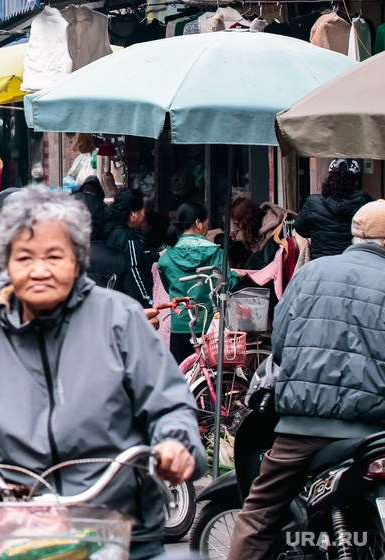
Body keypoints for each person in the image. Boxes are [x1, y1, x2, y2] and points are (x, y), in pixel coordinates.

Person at [0, 186, 205, 560]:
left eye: (54, 256)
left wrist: (175, 444)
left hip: (120, 528)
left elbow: (170, 406)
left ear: (78, 259)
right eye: (24, 258)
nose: (39, 270)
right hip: (19, 530)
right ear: (6, 263)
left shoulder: (121, 319)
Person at [227, 200, 385, 560]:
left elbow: (280, 343)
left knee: (259, 514)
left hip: (302, 426)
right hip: (373, 430)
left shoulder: (311, 273)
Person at [156, 202, 241, 363]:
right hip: (209, 325)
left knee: (182, 375)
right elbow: (227, 284)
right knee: (210, 377)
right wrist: (237, 275)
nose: (207, 229)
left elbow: (168, 287)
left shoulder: (166, 257)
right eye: (207, 224)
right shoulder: (215, 252)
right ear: (198, 223)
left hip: (180, 323)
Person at [294, 158, 373, 258]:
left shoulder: (313, 202)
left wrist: (318, 233)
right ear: (355, 181)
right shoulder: (364, 201)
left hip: (321, 262)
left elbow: (300, 229)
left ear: (330, 178)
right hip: (353, 262)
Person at [104, 188, 155, 307]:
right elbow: (134, 273)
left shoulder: (112, 232)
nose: (144, 214)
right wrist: (147, 304)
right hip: (129, 306)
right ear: (132, 213)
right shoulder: (127, 238)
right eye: (142, 209)